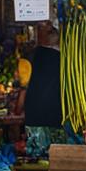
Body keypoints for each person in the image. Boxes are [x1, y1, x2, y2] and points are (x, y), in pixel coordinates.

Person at [22, 22, 63, 158]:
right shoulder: (64, 59)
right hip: (56, 112)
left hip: (36, 113)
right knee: (55, 155)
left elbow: (25, 85)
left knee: (37, 155)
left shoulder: (35, 56)